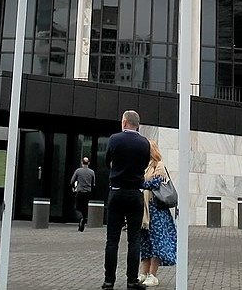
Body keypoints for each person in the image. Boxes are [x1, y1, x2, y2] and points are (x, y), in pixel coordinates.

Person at [103, 110, 150, 290]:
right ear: (137, 124)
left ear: (124, 122)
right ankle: (132, 280)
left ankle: (109, 281)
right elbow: (145, 164)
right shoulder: (144, 143)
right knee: (134, 239)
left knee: (112, 240)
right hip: (135, 194)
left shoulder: (114, 139)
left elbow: (107, 161)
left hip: (116, 192)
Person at [137, 140, 177, 287]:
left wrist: (136, 182)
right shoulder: (143, 166)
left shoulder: (158, 165)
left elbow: (155, 183)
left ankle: (153, 275)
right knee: (145, 242)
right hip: (145, 211)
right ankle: (143, 273)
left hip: (157, 210)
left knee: (157, 243)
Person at [71, 156, 96, 231]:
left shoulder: (78, 171)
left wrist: (73, 187)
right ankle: (82, 223)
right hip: (88, 192)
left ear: (82, 163)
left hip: (80, 192)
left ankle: (81, 218)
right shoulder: (92, 172)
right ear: (88, 163)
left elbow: (72, 181)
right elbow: (93, 183)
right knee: (85, 208)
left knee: (77, 207)